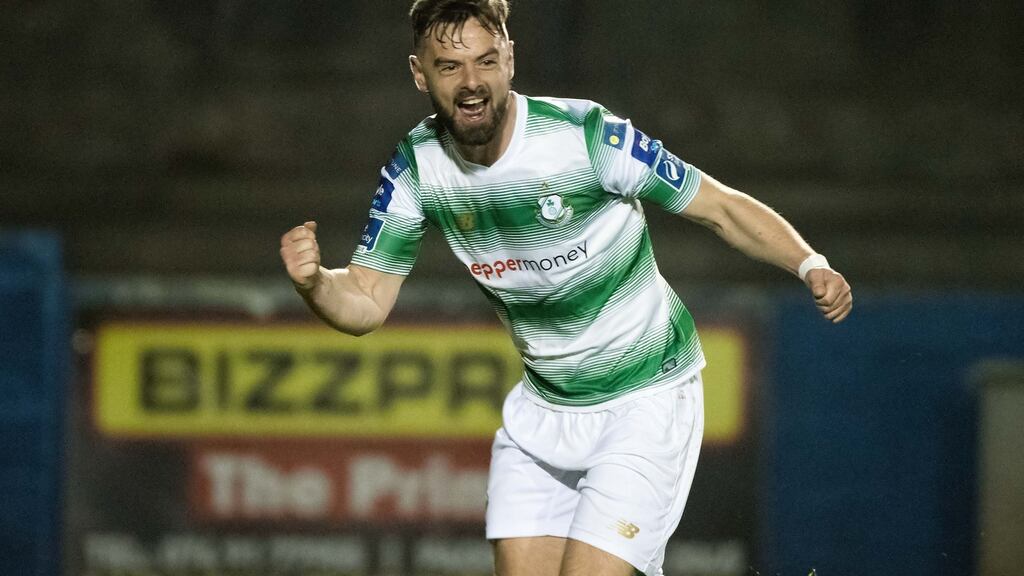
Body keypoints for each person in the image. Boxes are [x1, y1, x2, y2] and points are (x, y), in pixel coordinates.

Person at [279, 1, 853, 574]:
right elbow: (365, 302)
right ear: (418, 72)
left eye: (485, 61)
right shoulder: (417, 167)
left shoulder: (587, 136)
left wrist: (809, 263)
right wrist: (314, 284)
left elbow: (722, 209)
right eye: (450, 66)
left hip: (645, 400)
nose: (472, 83)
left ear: (510, 58)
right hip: (543, 410)